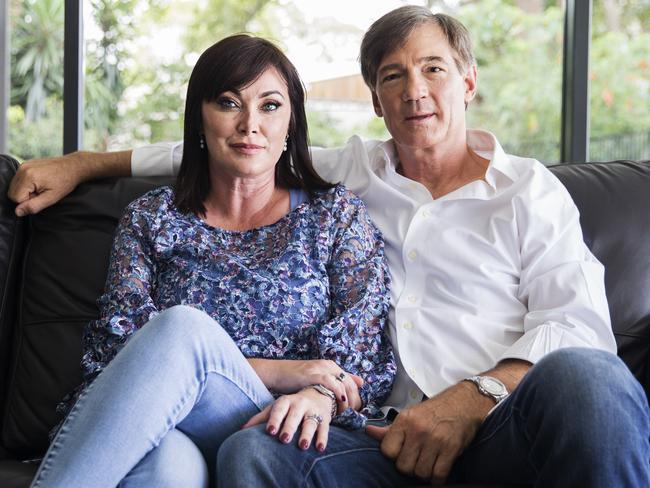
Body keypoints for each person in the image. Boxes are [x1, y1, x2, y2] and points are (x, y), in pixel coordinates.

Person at [11, 5, 650, 487]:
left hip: (500, 421)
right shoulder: (354, 171)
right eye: (393, 76)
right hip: (382, 439)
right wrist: (87, 163)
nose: (414, 90)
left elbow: (578, 323)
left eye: (433, 68)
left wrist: (470, 398)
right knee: (251, 451)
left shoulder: (526, 192)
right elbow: (232, 146)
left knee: (590, 377)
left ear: (468, 81)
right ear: (375, 99)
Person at [27, 34, 396, 488]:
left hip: (275, 427)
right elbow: (118, 352)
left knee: (181, 328)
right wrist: (285, 370)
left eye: (270, 106)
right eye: (228, 103)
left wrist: (316, 390)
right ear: (199, 120)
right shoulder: (152, 217)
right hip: (162, 421)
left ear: (291, 124)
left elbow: (358, 365)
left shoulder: (334, 215)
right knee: (165, 472)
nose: (249, 125)